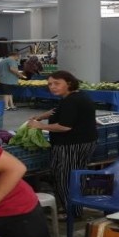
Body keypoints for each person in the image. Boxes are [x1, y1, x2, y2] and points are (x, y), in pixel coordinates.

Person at [27, 71, 97, 221]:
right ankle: (73, 207)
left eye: (57, 83)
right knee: (75, 176)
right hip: (83, 142)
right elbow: (56, 111)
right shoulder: (76, 96)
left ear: (69, 83)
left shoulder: (71, 101)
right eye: (50, 84)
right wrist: (41, 116)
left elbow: (65, 126)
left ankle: (72, 212)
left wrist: (39, 125)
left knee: (65, 177)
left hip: (71, 145)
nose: (52, 87)